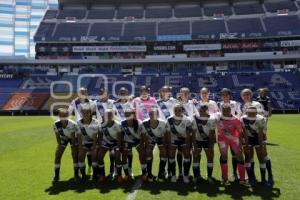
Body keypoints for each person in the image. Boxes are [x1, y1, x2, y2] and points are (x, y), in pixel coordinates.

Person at [241, 106, 273, 186]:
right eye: (249, 113)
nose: (251, 115)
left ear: (256, 113)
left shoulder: (261, 119)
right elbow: (244, 132)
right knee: (248, 157)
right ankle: (251, 178)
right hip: (247, 138)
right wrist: (247, 145)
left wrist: (261, 146)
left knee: (261, 157)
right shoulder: (242, 119)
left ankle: (263, 179)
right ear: (246, 113)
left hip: (259, 138)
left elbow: (260, 134)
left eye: (252, 114)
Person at [216, 104, 246, 184]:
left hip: (234, 140)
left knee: (240, 156)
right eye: (224, 110)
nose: (226, 112)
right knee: (224, 156)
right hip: (222, 140)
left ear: (230, 110)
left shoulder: (236, 119)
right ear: (221, 110)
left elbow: (240, 132)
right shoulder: (218, 119)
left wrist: (240, 143)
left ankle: (242, 179)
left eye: (227, 110)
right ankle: (225, 178)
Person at [68, 87, 96, 175]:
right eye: (81, 92)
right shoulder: (74, 102)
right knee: (78, 150)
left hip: (89, 128)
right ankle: (78, 170)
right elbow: (68, 113)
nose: (83, 93)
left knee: (90, 150)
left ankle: (90, 168)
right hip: (78, 128)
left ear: (87, 93)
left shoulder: (91, 103)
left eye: (84, 92)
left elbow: (94, 113)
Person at [218, 88, 242, 181]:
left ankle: (234, 173)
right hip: (223, 130)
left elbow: (239, 114)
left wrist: (236, 123)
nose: (225, 96)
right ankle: (224, 175)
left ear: (229, 95)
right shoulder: (219, 104)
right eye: (223, 95)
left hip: (234, 130)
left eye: (226, 94)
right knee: (223, 154)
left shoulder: (235, 103)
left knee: (234, 153)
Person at [166, 103, 193, 183]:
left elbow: (188, 133)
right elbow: (168, 133)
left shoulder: (187, 119)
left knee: (187, 155)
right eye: (175, 110)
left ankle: (185, 175)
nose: (177, 111)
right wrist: (169, 143)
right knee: (171, 155)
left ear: (182, 110)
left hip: (184, 139)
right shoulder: (169, 119)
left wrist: (188, 144)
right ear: (173, 111)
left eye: (179, 110)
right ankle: (173, 175)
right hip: (173, 140)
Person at [119, 109, 147, 181]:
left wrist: (143, 147)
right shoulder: (122, 123)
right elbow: (121, 135)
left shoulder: (139, 123)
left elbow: (143, 136)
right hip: (127, 142)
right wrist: (121, 145)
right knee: (124, 156)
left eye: (129, 115)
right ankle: (127, 174)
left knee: (142, 155)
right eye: (126, 115)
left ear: (133, 115)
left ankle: (144, 173)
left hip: (137, 141)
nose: (127, 116)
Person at [142, 106, 168, 181]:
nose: (152, 116)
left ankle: (161, 173)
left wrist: (163, 145)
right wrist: (147, 146)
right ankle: (149, 174)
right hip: (150, 139)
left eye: (154, 114)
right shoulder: (145, 123)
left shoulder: (163, 123)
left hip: (161, 138)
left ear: (158, 115)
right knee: (148, 152)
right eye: (150, 114)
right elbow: (144, 135)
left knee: (163, 153)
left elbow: (165, 135)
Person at [52, 108, 78, 183]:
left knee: (74, 155)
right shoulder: (55, 124)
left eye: (65, 115)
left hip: (73, 138)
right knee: (57, 155)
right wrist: (59, 145)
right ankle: (56, 176)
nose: (63, 117)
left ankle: (76, 175)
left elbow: (73, 137)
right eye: (61, 115)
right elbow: (57, 136)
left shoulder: (73, 124)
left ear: (68, 116)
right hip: (63, 138)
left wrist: (73, 147)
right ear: (59, 116)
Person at [94, 88, 116, 177]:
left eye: (104, 94)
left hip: (111, 128)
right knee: (99, 150)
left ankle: (112, 168)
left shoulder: (113, 102)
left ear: (108, 94)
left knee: (112, 151)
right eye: (101, 94)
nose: (103, 95)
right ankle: (98, 171)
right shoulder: (95, 103)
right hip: (100, 129)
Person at [191, 104, 216, 183]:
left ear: (207, 111)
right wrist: (194, 146)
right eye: (200, 111)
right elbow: (193, 134)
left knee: (210, 156)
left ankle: (209, 176)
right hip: (197, 140)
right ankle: (196, 176)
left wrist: (210, 147)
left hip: (208, 140)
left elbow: (212, 135)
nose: (202, 112)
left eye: (204, 111)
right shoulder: (195, 119)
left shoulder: (212, 119)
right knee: (196, 156)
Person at [97, 109, 122, 182]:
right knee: (99, 157)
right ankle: (102, 175)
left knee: (117, 157)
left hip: (115, 143)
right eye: (106, 115)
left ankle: (119, 175)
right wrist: (100, 145)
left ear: (112, 116)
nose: (108, 116)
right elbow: (100, 136)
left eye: (110, 115)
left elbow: (119, 137)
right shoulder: (101, 124)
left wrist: (117, 147)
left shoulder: (117, 124)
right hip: (106, 142)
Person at [76, 104, 100, 181]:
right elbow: (79, 136)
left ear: (90, 113)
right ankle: (83, 175)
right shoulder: (79, 123)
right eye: (83, 113)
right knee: (80, 156)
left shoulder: (95, 122)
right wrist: (80, 147)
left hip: (94, 142)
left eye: (87, 113)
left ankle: (95, 174)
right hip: (84, 142)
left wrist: (93, 147)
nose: (85, 114)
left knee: (94, 155)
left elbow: (95, 136)